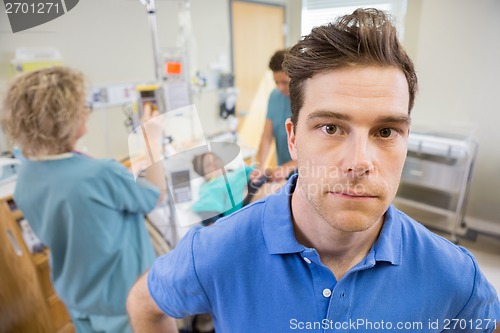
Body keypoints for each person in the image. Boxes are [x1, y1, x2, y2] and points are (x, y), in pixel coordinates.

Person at [127, 8, 500, 332]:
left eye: (386, 131)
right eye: (331, 128)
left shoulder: (453, 276)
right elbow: (144, 304)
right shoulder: (216, 252)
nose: (359, 162)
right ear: (293, 139)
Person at [0, 66, 167, 333]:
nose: (86, 111)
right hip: (122, 300)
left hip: (76, 297)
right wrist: (151, 140)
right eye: (82, 106)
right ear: (63, 118)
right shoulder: (100, 174)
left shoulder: (26, 178)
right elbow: (157, 194)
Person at [250, 49, 298, 182]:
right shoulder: (274, 96)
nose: (280, 87)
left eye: (284, 82)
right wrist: (260, 166)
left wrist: (289, 166)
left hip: (307, 172)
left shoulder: (307, 99)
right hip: (283, 175)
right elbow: (267, 136)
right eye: (276, 82)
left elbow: (316, 148)